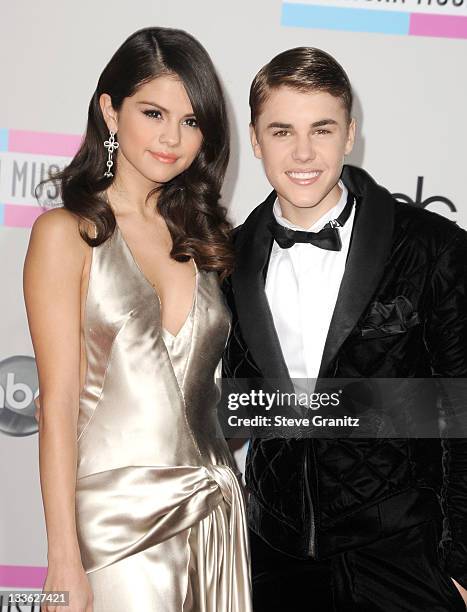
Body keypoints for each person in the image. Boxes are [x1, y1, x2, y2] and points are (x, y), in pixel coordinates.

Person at [222, 47, 467, 611]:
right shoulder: (224, 261)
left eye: (322, 129)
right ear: (256, 141)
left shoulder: (430, 246)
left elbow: (460, 410)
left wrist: (459, 564)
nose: (303, 152)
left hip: (404, 554)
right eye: (282, 131)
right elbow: (226, 408)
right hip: (276, 556)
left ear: (350, 133)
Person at [24, 27, 251, 612]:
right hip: (116, 529)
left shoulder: (207, 240)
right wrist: (63, 558)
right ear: (110, 111)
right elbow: (58, 403)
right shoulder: (65, 234)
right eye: (154, 113)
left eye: (192, 120)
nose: (172, 138)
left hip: (215, 517)